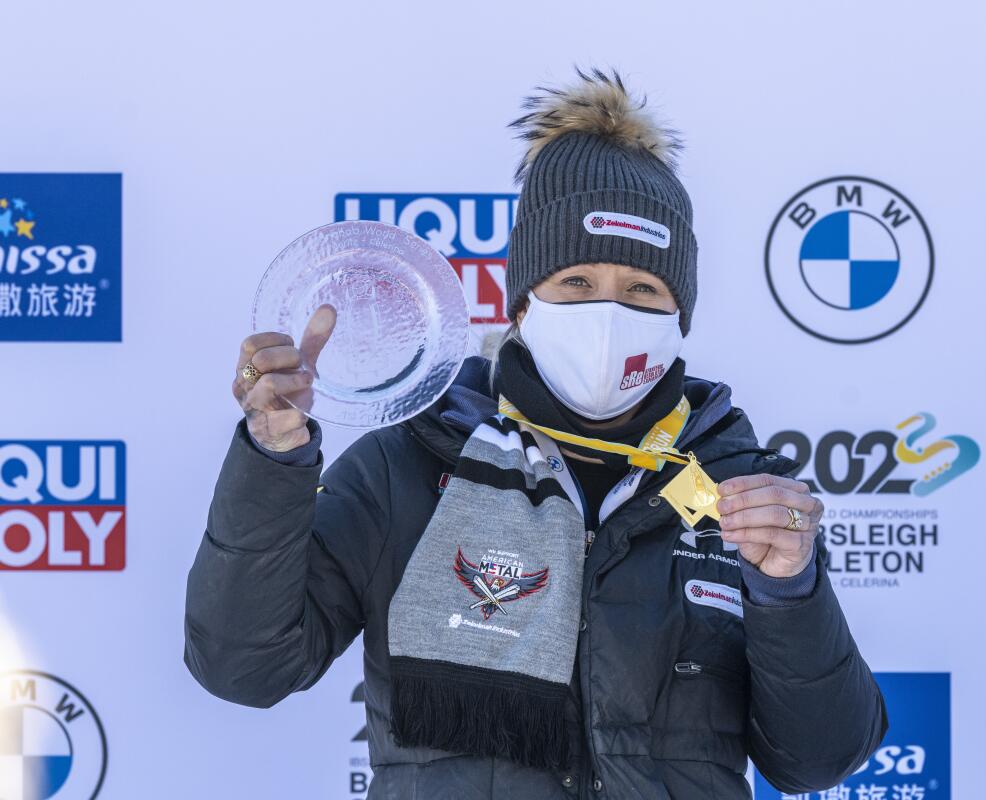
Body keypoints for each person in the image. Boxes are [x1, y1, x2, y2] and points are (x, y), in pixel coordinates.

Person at [184, 68, 886, 799]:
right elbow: (243, 666)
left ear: (680, 319)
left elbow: (819, 759)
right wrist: (273, 459)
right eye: (577, 283)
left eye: (643, 290)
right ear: (523, 304)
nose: (608, 314)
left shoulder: (738, 489)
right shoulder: (410, 461)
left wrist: (789, 592)